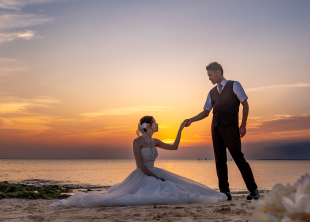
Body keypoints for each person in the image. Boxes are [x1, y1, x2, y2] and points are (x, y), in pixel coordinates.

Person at [51, 115, 226, 207]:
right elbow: (140, 165)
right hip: (142, 174)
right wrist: (155, 177)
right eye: (155, 122)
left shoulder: (155, 141)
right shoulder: (137, 142)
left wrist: (180, 128)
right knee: (143, 193)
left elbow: (175, 147)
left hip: (155, 171)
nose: (158, 124)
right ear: (148, 126)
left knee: (176, 189)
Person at [184, 62, 259, 201]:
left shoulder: (234, 85)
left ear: (218, 72)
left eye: (210, 75)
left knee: (238, 157)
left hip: (231, 127)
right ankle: (225, 192)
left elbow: (245, 104)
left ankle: (253, 190)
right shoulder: (211, 92)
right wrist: (191, 120)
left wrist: (243, 125)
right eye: (208, 75)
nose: (209, 78)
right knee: (220, 160)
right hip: (215, 128)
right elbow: (206, 112)